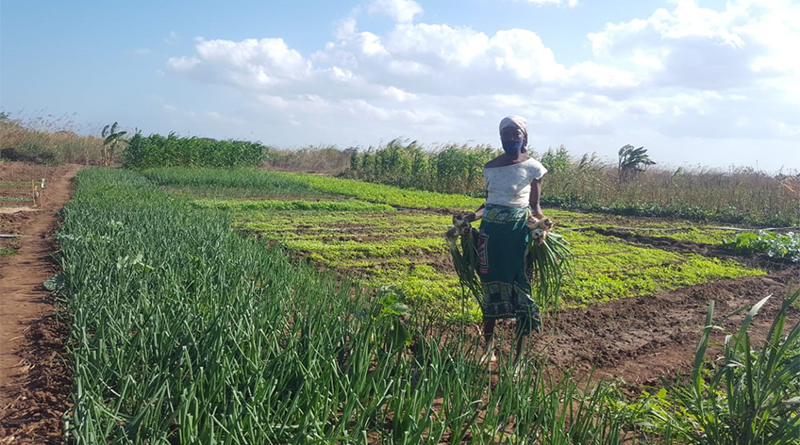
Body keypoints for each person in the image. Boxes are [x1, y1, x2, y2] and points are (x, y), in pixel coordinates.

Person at [460, 115, 547, 366]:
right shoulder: (491, 167)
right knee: (490, 289)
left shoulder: (534, 168)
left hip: (518, 235)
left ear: (524, 136)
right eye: (505, 134)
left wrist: (543, 223)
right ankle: (488, 348)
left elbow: (535, 205)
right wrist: (470, 217)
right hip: (491, 236)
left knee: (522, 292)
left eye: (515, 133)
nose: (510, 138)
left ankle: (518, 359)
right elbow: (488, 203)